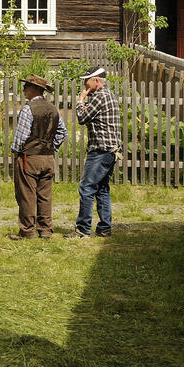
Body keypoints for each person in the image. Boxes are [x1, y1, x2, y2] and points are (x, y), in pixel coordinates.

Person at [65, 65, 122, 239]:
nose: (84, 85)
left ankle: (82, 230)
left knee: (87, 187)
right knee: (102, 188)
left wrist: (81, 100)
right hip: (111, 150)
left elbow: (82, 118)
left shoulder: (99, 97)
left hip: (100, 151)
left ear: (96, 81)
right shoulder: (109, 95)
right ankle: (104, 228)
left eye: (86, 81)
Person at [9, 73, 67, 240]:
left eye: (26, 86)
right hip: (48, 158)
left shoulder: (28, 109)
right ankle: (46, 230)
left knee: (27, 194)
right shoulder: (53, 109)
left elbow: (21, 137)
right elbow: (62, 133)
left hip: (30, 158)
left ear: (35, 89)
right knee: (45, 195)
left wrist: (17, 151)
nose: (24, 89)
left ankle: (27, 231)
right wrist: (51, 146)